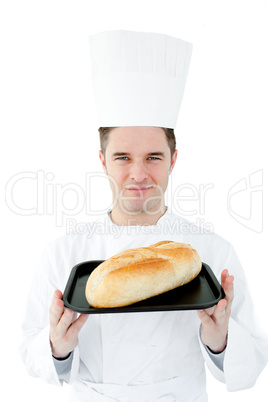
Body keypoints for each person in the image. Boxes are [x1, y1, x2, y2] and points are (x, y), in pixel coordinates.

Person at [20, 30, 268, 402]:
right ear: (102, 161)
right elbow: (29, 355)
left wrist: (221, 340)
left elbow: (250, 367)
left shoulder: (211, 252)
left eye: (153, 157)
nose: (138, 174)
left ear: (174, 161)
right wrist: (56, 346)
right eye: (123, 157)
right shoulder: (64, 253)